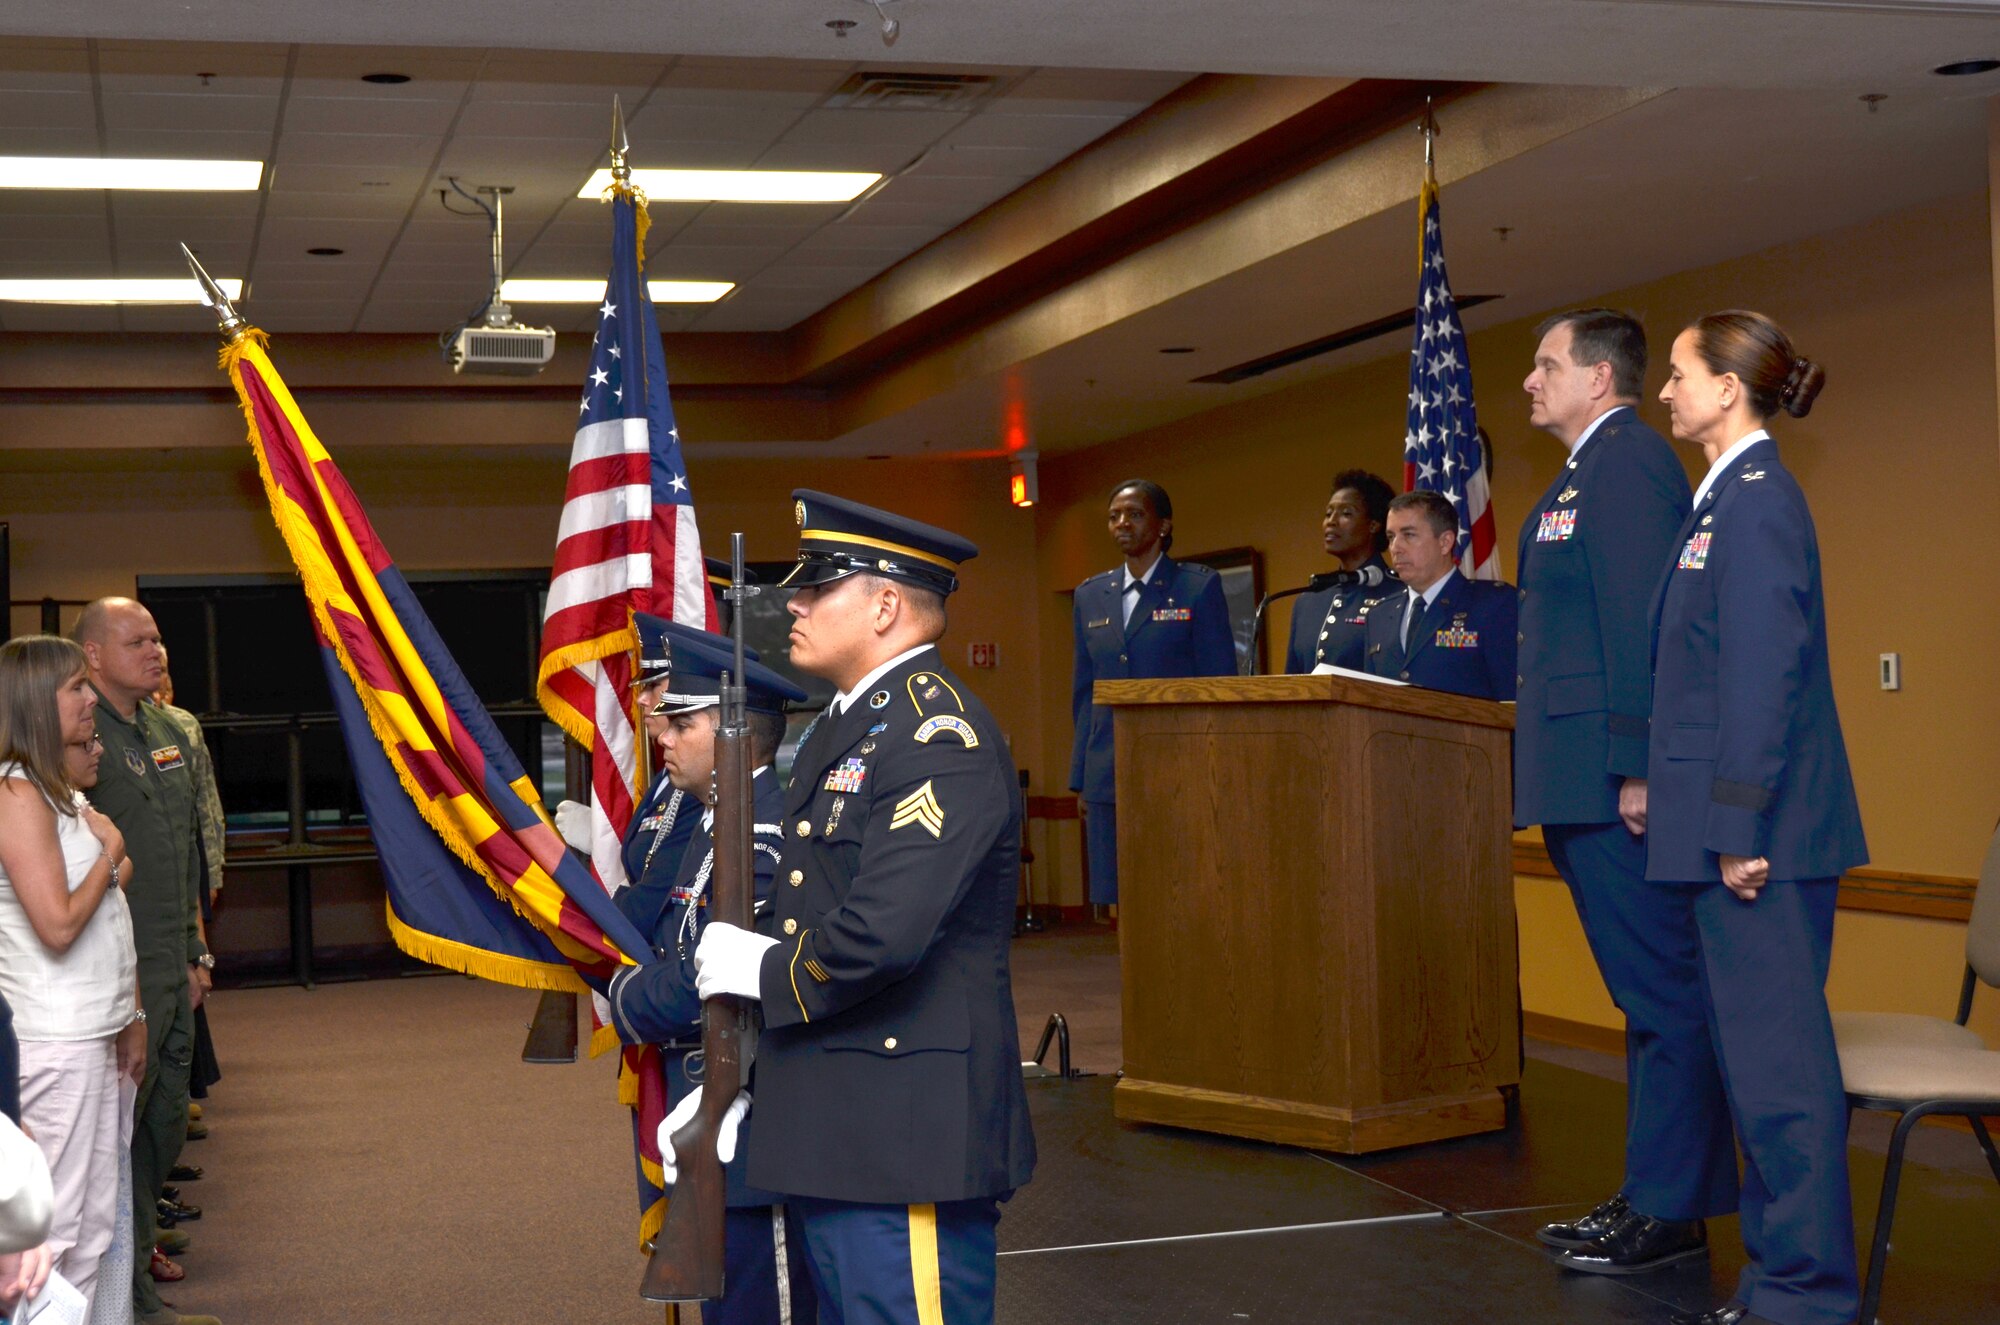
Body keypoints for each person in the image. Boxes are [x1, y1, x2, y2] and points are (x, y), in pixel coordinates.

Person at [679, 490, 1036, 1325]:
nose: (793, 603)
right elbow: (817, 904)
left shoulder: (936, 737)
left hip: (901, 1130)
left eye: (817, 587)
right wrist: (744, 1073)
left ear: (884, 605)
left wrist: (757, 968)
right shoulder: (850, 729)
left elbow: (882, 932)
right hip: (840, 1120)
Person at [1648, 311, 1866, 1325]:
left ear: (1727, 388)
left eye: (1678, 373)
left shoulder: (1757, 500)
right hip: (1722, 827)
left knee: (1779, 1075)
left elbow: (1760, 677)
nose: (1663, 390)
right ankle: (1778, 1278)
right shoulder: (1718, 501)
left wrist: (1737, 822)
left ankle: (1809, 1291)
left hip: (1758, 835)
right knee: (1750, 1065)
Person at [1512, 310, 1730, 1276]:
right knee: (1644, 996)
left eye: (1546, 364)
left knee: (1663, 995)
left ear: (1600, 377)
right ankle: (1653, 1192)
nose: (1529, 379)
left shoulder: (1633, 462)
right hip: (1576, 781)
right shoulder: (1580, 471)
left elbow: (1648, 618)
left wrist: (1640, 762)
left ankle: (1671, 1206)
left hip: (1613, 782)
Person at [605, 622, 815, 1325]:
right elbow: (673, 938)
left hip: (752, 1115)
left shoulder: (761, 836)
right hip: (700, 1101)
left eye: (683, 720)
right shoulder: (709, 822)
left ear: (733, 735)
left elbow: (703, 973)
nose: (661, 733)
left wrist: (625, 996)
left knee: (763, 1305)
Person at [69, 600, 217, 1325]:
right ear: (93, 655)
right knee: (119, 1136)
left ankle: (137, 1255)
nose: (156, 650)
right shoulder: (76, 736)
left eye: (158, 637)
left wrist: (196, 950)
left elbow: (181, 844)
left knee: (164, 1118)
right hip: (115, 965)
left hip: (170, 958)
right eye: (137, 640)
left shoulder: (166, 727)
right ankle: (134, 1301)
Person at [0, 635, 143, 1314]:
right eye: (76, 689)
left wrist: (130, 1016)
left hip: (86, 1031)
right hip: (54, 1039)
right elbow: (58, 925)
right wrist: (110, 850)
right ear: (35, 703)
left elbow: (104, 904)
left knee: (91, 1232)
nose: (92, 702)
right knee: (49, 1244)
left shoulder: (51, 792)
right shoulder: (15, 791)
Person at [1068, 479, 1235, 908]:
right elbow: (1084, 693)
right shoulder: (1090, 596)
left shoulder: (1197, 587)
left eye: (1135, 514)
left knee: (1180, 887)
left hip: (1179, 764)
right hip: (1108, 770)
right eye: (1114, 516)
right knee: (1119, 895)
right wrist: (1081, 778)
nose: (1122, 523)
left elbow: (1218, 683)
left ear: (1163, 525)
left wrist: (1216, 764)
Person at [151, 651, 224, 1144]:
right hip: (151, 883)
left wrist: (213, 864)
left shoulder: (179, 727)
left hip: (184, 858)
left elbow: (203, 802)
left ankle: (179, 1101)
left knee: (188, 986)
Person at [1362, 491, 1517, 699]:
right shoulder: (1378, 616)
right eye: (1391, 537)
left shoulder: (1493, 605)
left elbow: (1511, 700)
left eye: (1409, 535)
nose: (1395, 548)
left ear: (1445, 542)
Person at [1283, 469, 1400, 673]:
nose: (1331, 521)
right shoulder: (1308, 601)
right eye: (1328, 513)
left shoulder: (1399, 594)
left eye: (1346, 513)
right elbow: (1292, 681)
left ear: (1373, 525)